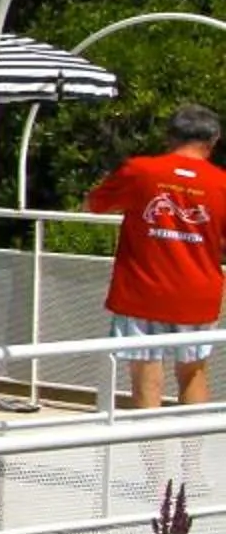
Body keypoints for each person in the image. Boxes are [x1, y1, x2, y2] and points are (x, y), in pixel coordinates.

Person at [85, 102, 223, 411]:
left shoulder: (140, 171)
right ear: (212, 142)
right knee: (193, 373)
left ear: (169, 137)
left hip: (141, 291)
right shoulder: (221, 184)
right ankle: (191, 460)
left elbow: (94, 204)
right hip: (197, 294)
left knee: (146, 376)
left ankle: (153, 461)